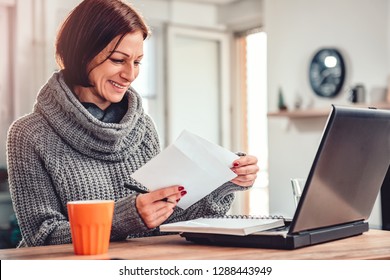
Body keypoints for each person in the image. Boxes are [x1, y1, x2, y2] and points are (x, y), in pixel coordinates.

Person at [6, 0, 259, 247]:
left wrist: (222, 180)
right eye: (118, 59)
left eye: (136, 62)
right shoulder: (29, 134)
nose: (130, 74)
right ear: (81, 54)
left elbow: (163, 220)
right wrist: (127, 216)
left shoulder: (142, 128)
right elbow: (43, 237)